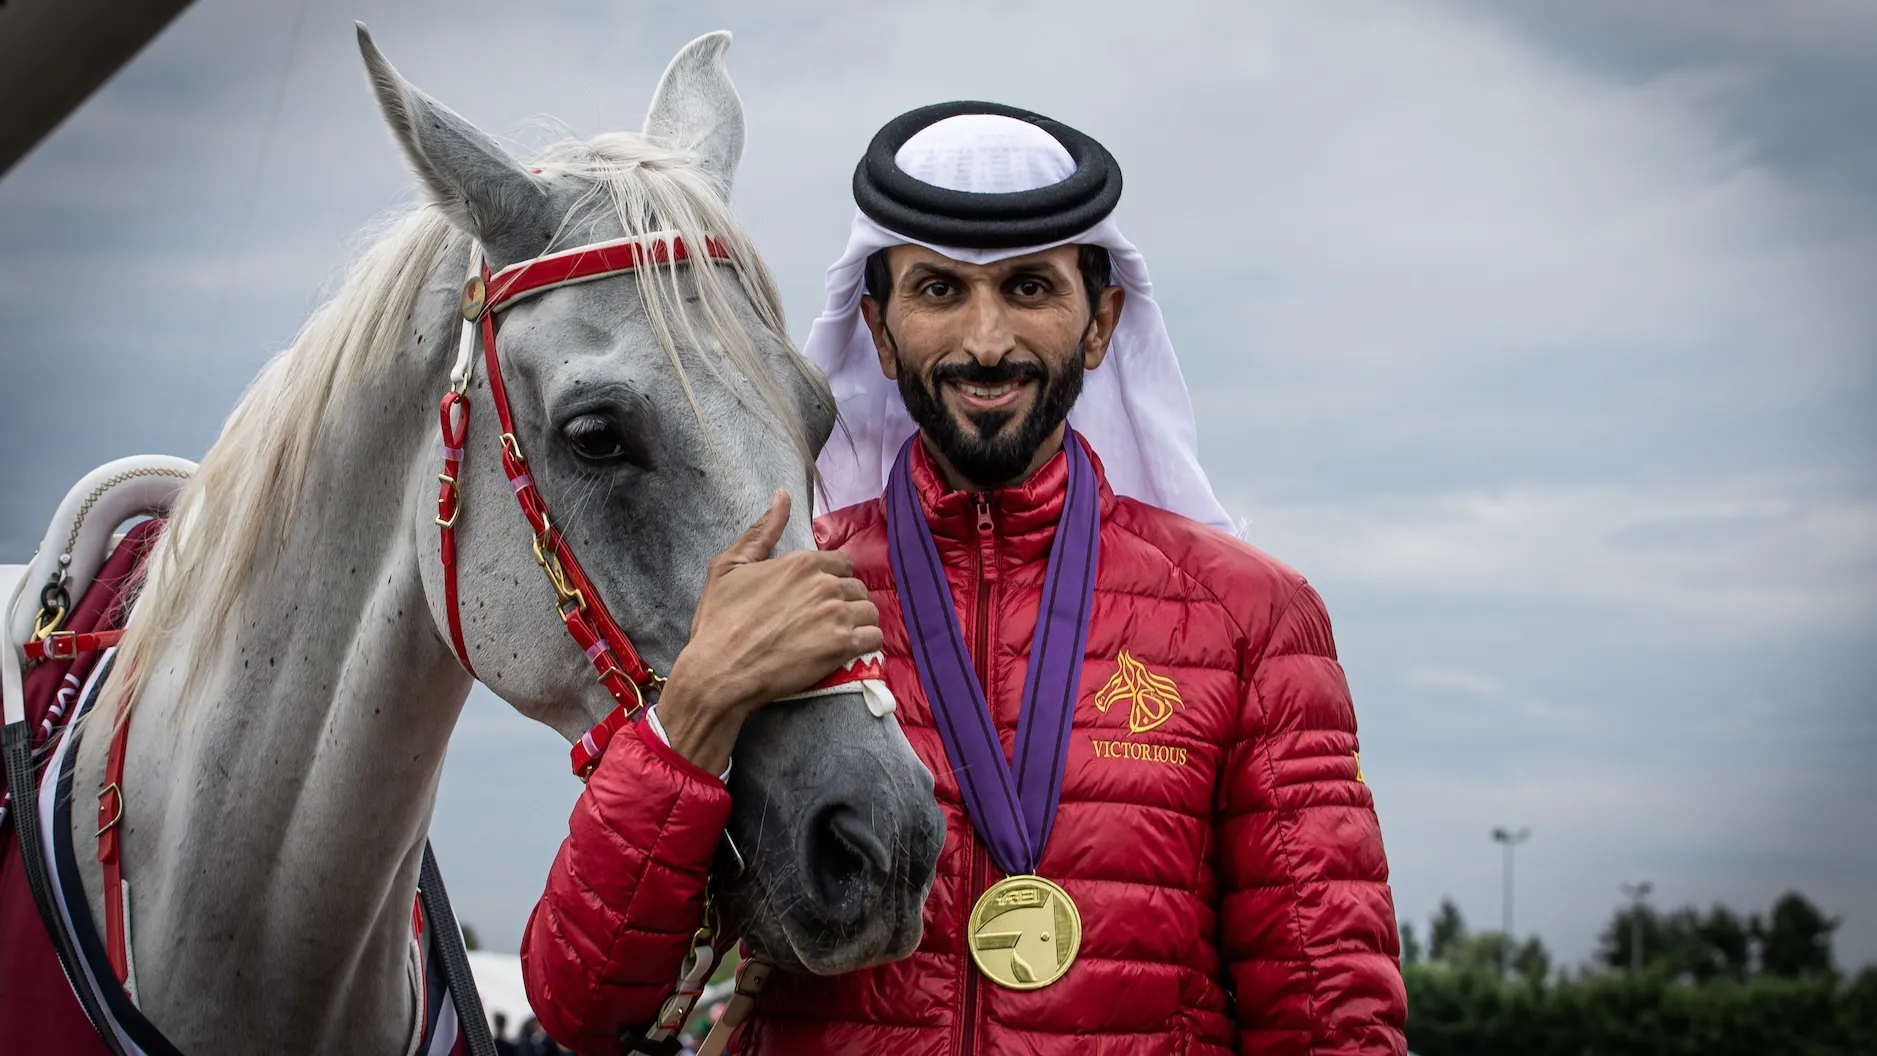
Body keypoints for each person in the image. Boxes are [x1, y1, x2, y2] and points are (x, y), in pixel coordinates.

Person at [521, 102, 1408, 1055]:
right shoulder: (771, 592)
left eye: (1030, 288)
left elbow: (1328, 1019)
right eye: (939, 291)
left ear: (1101, 320)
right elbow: (587, 1005)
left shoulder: (1249, 617)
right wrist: (691, 712)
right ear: (881, 331)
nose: (986, 341)